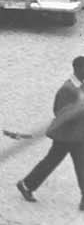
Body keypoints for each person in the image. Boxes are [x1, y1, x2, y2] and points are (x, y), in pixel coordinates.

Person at [17, 56, 84, 209]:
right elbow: (60, 112)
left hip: (77, 135)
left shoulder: (79, 86)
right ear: (79, 69)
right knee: (57, 163)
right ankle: (26, 184)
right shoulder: (67, 89)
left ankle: (26, 184)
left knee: (76, 164)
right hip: (67, 136)